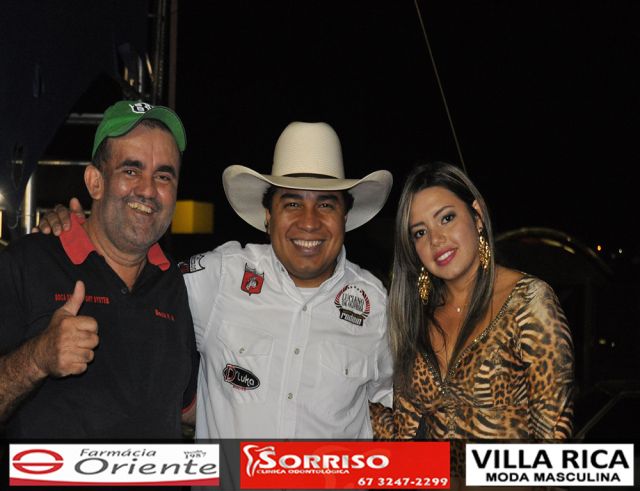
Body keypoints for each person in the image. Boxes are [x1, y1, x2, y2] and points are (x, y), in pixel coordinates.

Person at [35, 121, 394, 439]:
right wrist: (81, 228)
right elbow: (132, 276)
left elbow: (404, 406)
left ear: (345, 217)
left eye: (327, 205)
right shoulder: (221, 275)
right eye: (292, 204)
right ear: (268, 216)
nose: (309, 222)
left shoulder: (376, 304)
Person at [0, 100, 198, 438]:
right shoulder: (27, 263)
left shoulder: (178, 285)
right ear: (95, 182)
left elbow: (191, 409)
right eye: (131, 171)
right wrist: (37, 358)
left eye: (163, 176)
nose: (148, 190)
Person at [371, 161, 574, 470]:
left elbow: (554, 444)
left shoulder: (528, 302)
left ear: (477, 215)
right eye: (420, 232)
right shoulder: (417, 316)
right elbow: (405, 437)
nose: (436, 239)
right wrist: (346, 398)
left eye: (446, 218)